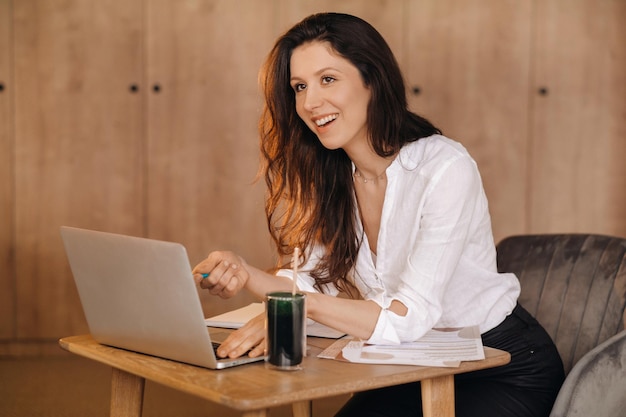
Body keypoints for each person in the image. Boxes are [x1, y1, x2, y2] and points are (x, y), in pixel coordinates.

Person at [192, 12, 564, 417]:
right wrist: (247, 274)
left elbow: (408, 316)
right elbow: (312, 280)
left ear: (372, 80)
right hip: (412, 363)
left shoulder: (443, 167)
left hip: (500, 363)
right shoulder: (333, 175)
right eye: (299, 86)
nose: (310, 102)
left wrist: (301, 306)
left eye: (328, 79)